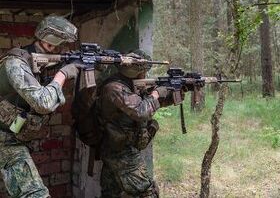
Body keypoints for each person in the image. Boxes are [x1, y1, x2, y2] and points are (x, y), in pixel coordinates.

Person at [0, 15, 82, 198]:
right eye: (57, 44)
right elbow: (43, 103)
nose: (59, 49)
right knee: (36, 194)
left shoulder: (39, 63)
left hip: (13, 135)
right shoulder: (16, 63)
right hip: (5, 140)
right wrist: (62, 74)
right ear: (49, 42)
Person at [98, 50, 179, 198]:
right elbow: (141, 111)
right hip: (121, 152)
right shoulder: (115, 88)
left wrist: (174, 93)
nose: (146, 75)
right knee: (147, 192)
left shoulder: (129, 86)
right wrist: (156, 94)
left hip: (118, 148)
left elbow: (148, 104)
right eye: (145, 70)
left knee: (112, 193)